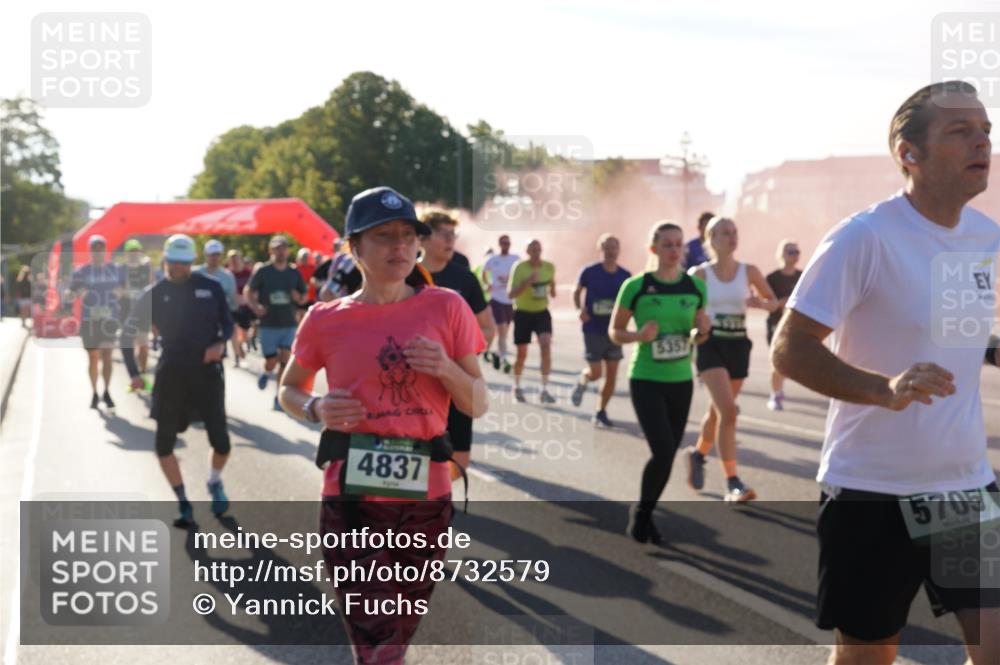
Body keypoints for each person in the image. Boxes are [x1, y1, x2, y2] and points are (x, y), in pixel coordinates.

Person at [771, 81, 999, 665]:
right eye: (961, 131)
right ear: (909, 153)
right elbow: (790, 348)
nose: (984, 142)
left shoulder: (984, 238)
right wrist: (884, 389)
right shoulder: (863, 238)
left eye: (986, 130)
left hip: (965, 487)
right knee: (869, 658)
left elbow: (952, 330)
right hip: (873, 491)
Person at [278, 186, 486, 665]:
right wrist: (315, 408)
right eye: (384, 236)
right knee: (376, 637)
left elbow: (476, 403)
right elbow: (288, 389)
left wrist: (446, 368)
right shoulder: (325, 319)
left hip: (425, 500)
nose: (400, 247)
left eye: (407, 236)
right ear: (354, 248)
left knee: (392, 635)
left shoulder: (447, 306)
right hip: (352, 497)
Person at [122, 234, 234, 527]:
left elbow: (228, 322)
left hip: (208, 374)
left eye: (185, 263)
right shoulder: (154, 293)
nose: (179, 268)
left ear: (192, 263)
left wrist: (221, 343)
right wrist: (134, 373)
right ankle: (183, 502)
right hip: (172, 374)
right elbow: (126, 334)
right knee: (163, 445)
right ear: (166, 261)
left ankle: (214, 481)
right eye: (174, 262)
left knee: (222, 443)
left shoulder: (211, 288)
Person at [611, 222, 709, 543]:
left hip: (681, 380)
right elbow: (615, 331)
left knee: (666, 454)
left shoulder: (695, 288)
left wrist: (703, 330)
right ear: (653, 249)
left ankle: (646, 513)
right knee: (664, 450)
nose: (674, 250)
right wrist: (639, 335)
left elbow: (698, 333)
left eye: (678, 244)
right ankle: (641, 515)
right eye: (667, 244)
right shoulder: (636, 286)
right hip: (646, 379)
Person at [685, 216, 778, 503]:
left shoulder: (749, 270)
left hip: (739, 345)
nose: (731, 237)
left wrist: (761, 304)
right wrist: (694, 329)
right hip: (711, 345)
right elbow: (687, 314)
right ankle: (733, 482)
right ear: (711, 239)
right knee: (728, 410)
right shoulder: (699, 274)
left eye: (734, 232)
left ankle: (698, 454)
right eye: (725, 233)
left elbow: (773, 302)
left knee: (718, 412)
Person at [419, 210, 496, 479]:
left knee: (459, 458)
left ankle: (436, 496)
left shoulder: (464, 279)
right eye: (444, 234)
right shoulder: (404, 276)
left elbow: (488, 328)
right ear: (423, 239)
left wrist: (460, 353)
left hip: (456, 378)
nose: (451, 240)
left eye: (454, 234)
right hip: (413, 380)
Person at [571, 233, 631, 426]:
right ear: (601, 249)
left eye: (614, 247)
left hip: (615, 330)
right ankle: (584, 379)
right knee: (597, 372)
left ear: (619, 250)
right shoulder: (589, 271)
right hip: (593, 328)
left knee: (612, 373)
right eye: (607, 247)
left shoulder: (625, 275)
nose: (611, 251)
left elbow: (631, 301)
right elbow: (576, 290)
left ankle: (601, 410)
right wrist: (579, 309)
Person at [246, 235, 307, 409]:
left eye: (284, 248)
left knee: (285, 361)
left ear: (288, 251)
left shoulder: (294, 272)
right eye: (277, 248)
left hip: (288, 324)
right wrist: (256, 306)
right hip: (268, 324)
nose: (280, 251)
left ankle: (279, 397)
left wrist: (299, 298)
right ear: (271, 251)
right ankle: (266, 371)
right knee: (271, 361)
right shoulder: (263, 271)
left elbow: (303, 297)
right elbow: (249, 291)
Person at [68, 235, 124, 410]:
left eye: (101, 249)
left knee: (107, 356)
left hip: (109, 319)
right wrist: (79, 294)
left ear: (105, 250)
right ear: (90, 250)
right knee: (93, 357)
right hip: (89, 320)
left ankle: (107, 392)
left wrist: (118, 294)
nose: (98, 252)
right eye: (94, 249)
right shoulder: (81, 271)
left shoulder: (114, 269)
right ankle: (94, 393)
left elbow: (124, 288)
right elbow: (71, 292)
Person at [508, 239, 557, 403]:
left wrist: (552, 290)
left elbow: (553, 287)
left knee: (546, 346)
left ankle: (544, 389)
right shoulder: (520, 268)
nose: (536, 252)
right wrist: (527, 283)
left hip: (542, 312)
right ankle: (517, 385)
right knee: (522, 354)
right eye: (533, 249)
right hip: (523, 313)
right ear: (527, 251)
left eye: (538, 249)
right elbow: (511, 294)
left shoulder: (549, 267)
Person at [763, 239, 802, 411]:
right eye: (790, 251)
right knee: (777, 362)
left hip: (795, 327)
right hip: (776, 325)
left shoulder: (802, 277)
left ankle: (778, 388)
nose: (794, 255)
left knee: (788, 363)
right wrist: (780, 303)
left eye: (796, 252)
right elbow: (765, 303)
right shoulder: (772, 278)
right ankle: (776, 394)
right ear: (782, 254)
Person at [481, 235, 520, 372]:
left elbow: (521, 274)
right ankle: (504, 359)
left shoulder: (516, 259)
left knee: (504, 332)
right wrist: (488, 284)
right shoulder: (493, 260)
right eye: (503, 243)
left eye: (508, 242)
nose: (506, 245)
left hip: (510, 300)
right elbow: (483, 272)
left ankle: (497, 354)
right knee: (502, 328)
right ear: (499, 244)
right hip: (496, 299)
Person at [120, 239, 155, 383]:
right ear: (126, 253)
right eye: (131, 251)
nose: (134, 254)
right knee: (130, 344)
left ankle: (143, 372)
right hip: (127, 310)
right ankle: (136, 378)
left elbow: (153, 285)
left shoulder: (146, 267)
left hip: (144, 312)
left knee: (144, 345)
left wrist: (150, 266)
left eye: (136, 251)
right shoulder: (121, 269)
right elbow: (119, 290)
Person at [226, 249, 254, 366]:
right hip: (232, 307)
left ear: (240, 259)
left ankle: (241, 345)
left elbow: (255, 288)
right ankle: (237, 357)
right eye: (232, 260)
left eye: (236, 259)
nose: (235, 262)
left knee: (244, 334)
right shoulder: (227, 274)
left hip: (246, 307)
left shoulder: (249, 273)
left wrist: (248, 297)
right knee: (233, 332)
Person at [316, 238, 363, 302]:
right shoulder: (346, 260)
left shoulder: (346, 259)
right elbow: (325, 294)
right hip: (344, 298)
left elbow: (325, 294)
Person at [295, 247, 318, 320]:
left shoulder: (312, 268)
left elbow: (314, 281)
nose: (304, 259)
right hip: (299, 297)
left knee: (309, 317)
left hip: (310, 297)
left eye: (306, 257)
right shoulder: (296, 269)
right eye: (303, 257)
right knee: (299, 316)